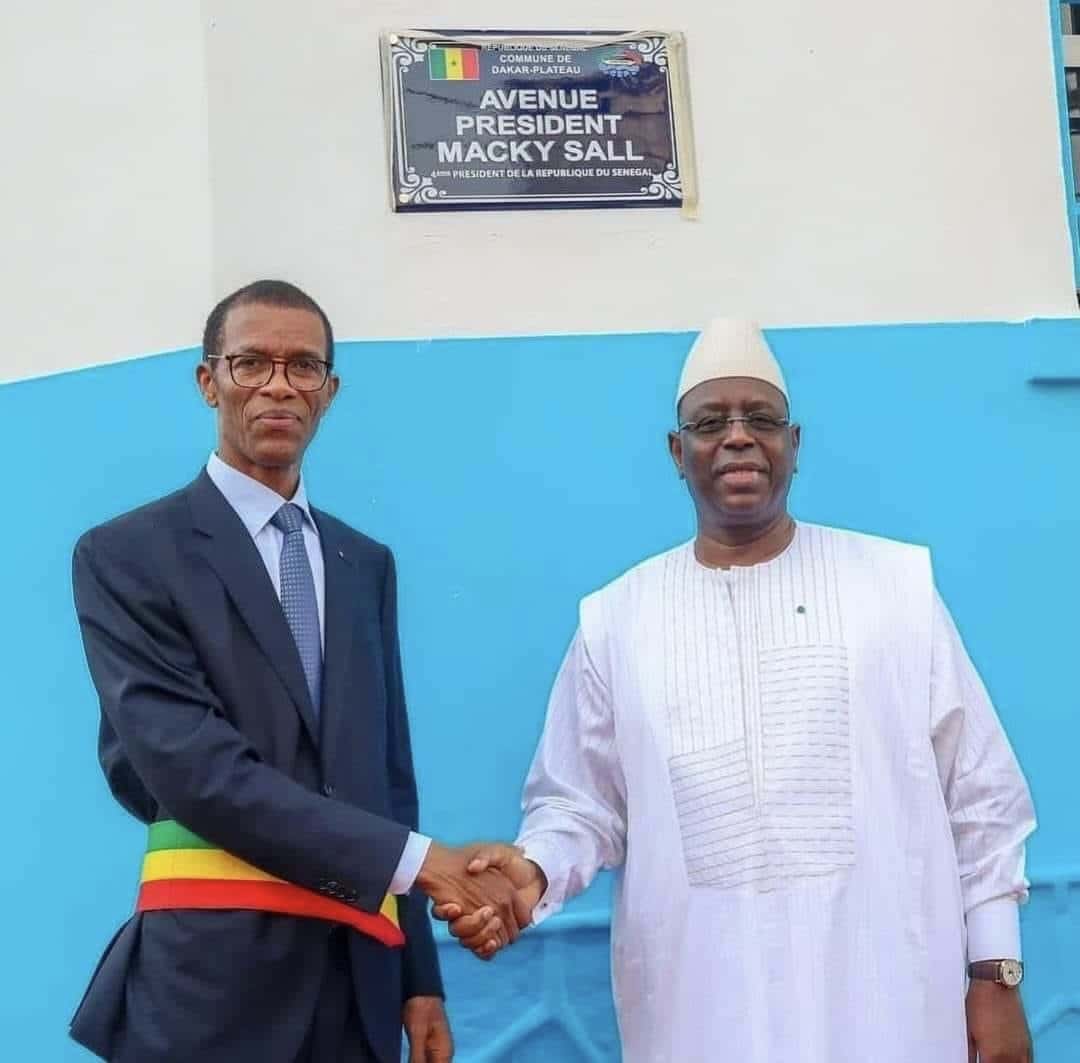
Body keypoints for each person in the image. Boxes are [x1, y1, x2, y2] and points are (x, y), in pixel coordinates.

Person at [439, 319, 1037, 1063]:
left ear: (795, 443)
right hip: (699, 1007)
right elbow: (578, 802)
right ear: (676, 451)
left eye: (761, 419)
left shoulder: (896, 589)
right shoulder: (617, 619)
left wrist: (996, 974)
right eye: (710, 421)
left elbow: (981, 793)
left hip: (890, 999)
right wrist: (530, 873)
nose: (738, 437)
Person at [70, 280, 528, 1063]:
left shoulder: (363, 563)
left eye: (304, 367)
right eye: (251, 362)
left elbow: (390, 778)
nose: (278, 384)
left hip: (358, 984)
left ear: (331, 391)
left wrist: (421, 978)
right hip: (211, 987)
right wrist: (431, 866)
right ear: (208, 379)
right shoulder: (127, 556)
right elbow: (195, 770)